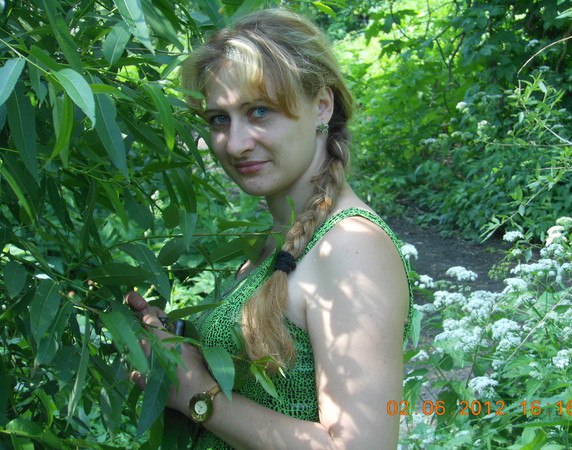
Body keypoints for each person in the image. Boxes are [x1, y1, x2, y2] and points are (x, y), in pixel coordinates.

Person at [127, 7, 413, 449]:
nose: (235, 143)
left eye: (259, 111)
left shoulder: (352, 247)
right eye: (218, 119)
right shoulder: (284, 235)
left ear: (322, 105)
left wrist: (197, 394)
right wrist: (176, 350)